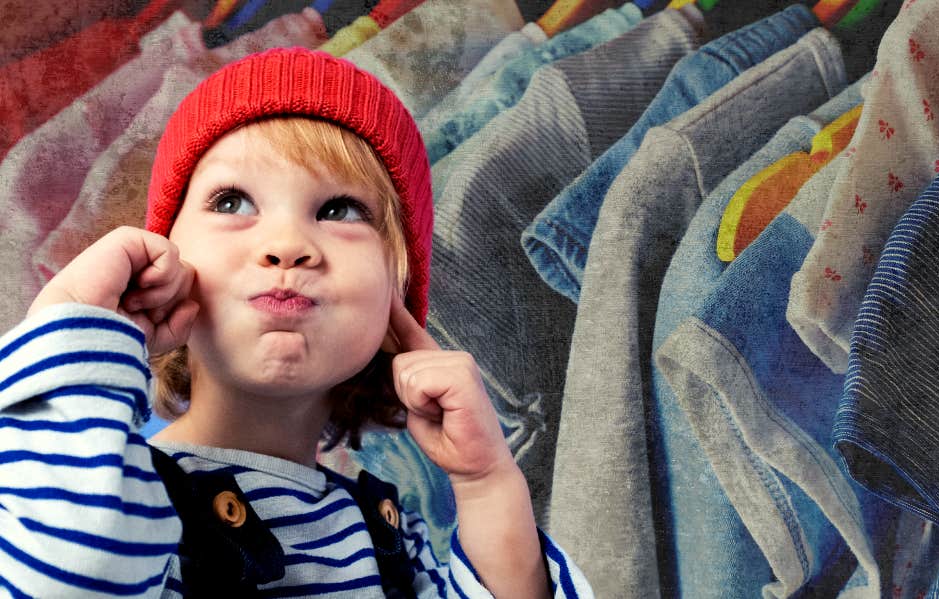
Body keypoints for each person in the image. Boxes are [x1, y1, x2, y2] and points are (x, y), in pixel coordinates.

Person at [0, 47, 591, 598]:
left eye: (340, 210)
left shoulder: (395, 544)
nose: (287, 245)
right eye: (231, 202)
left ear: (397, 299)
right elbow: (72, 574)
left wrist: (487, 481)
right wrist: (73, 319)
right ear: (161, 261)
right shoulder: (107, 486)